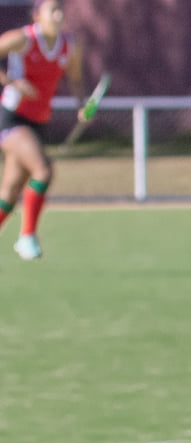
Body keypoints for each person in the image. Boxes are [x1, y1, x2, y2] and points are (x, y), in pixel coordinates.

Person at [0, 0, 85, 261]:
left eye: (61, 10)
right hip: (12, 118)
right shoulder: (22, 39)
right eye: (53, 10)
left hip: (39, 122)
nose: (59, 15)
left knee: (12, 190)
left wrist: (82, 107)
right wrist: (13, 82)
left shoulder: (70, 47)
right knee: (43, 170)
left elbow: (76, 78)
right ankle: (27, 237)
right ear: (37, 15)